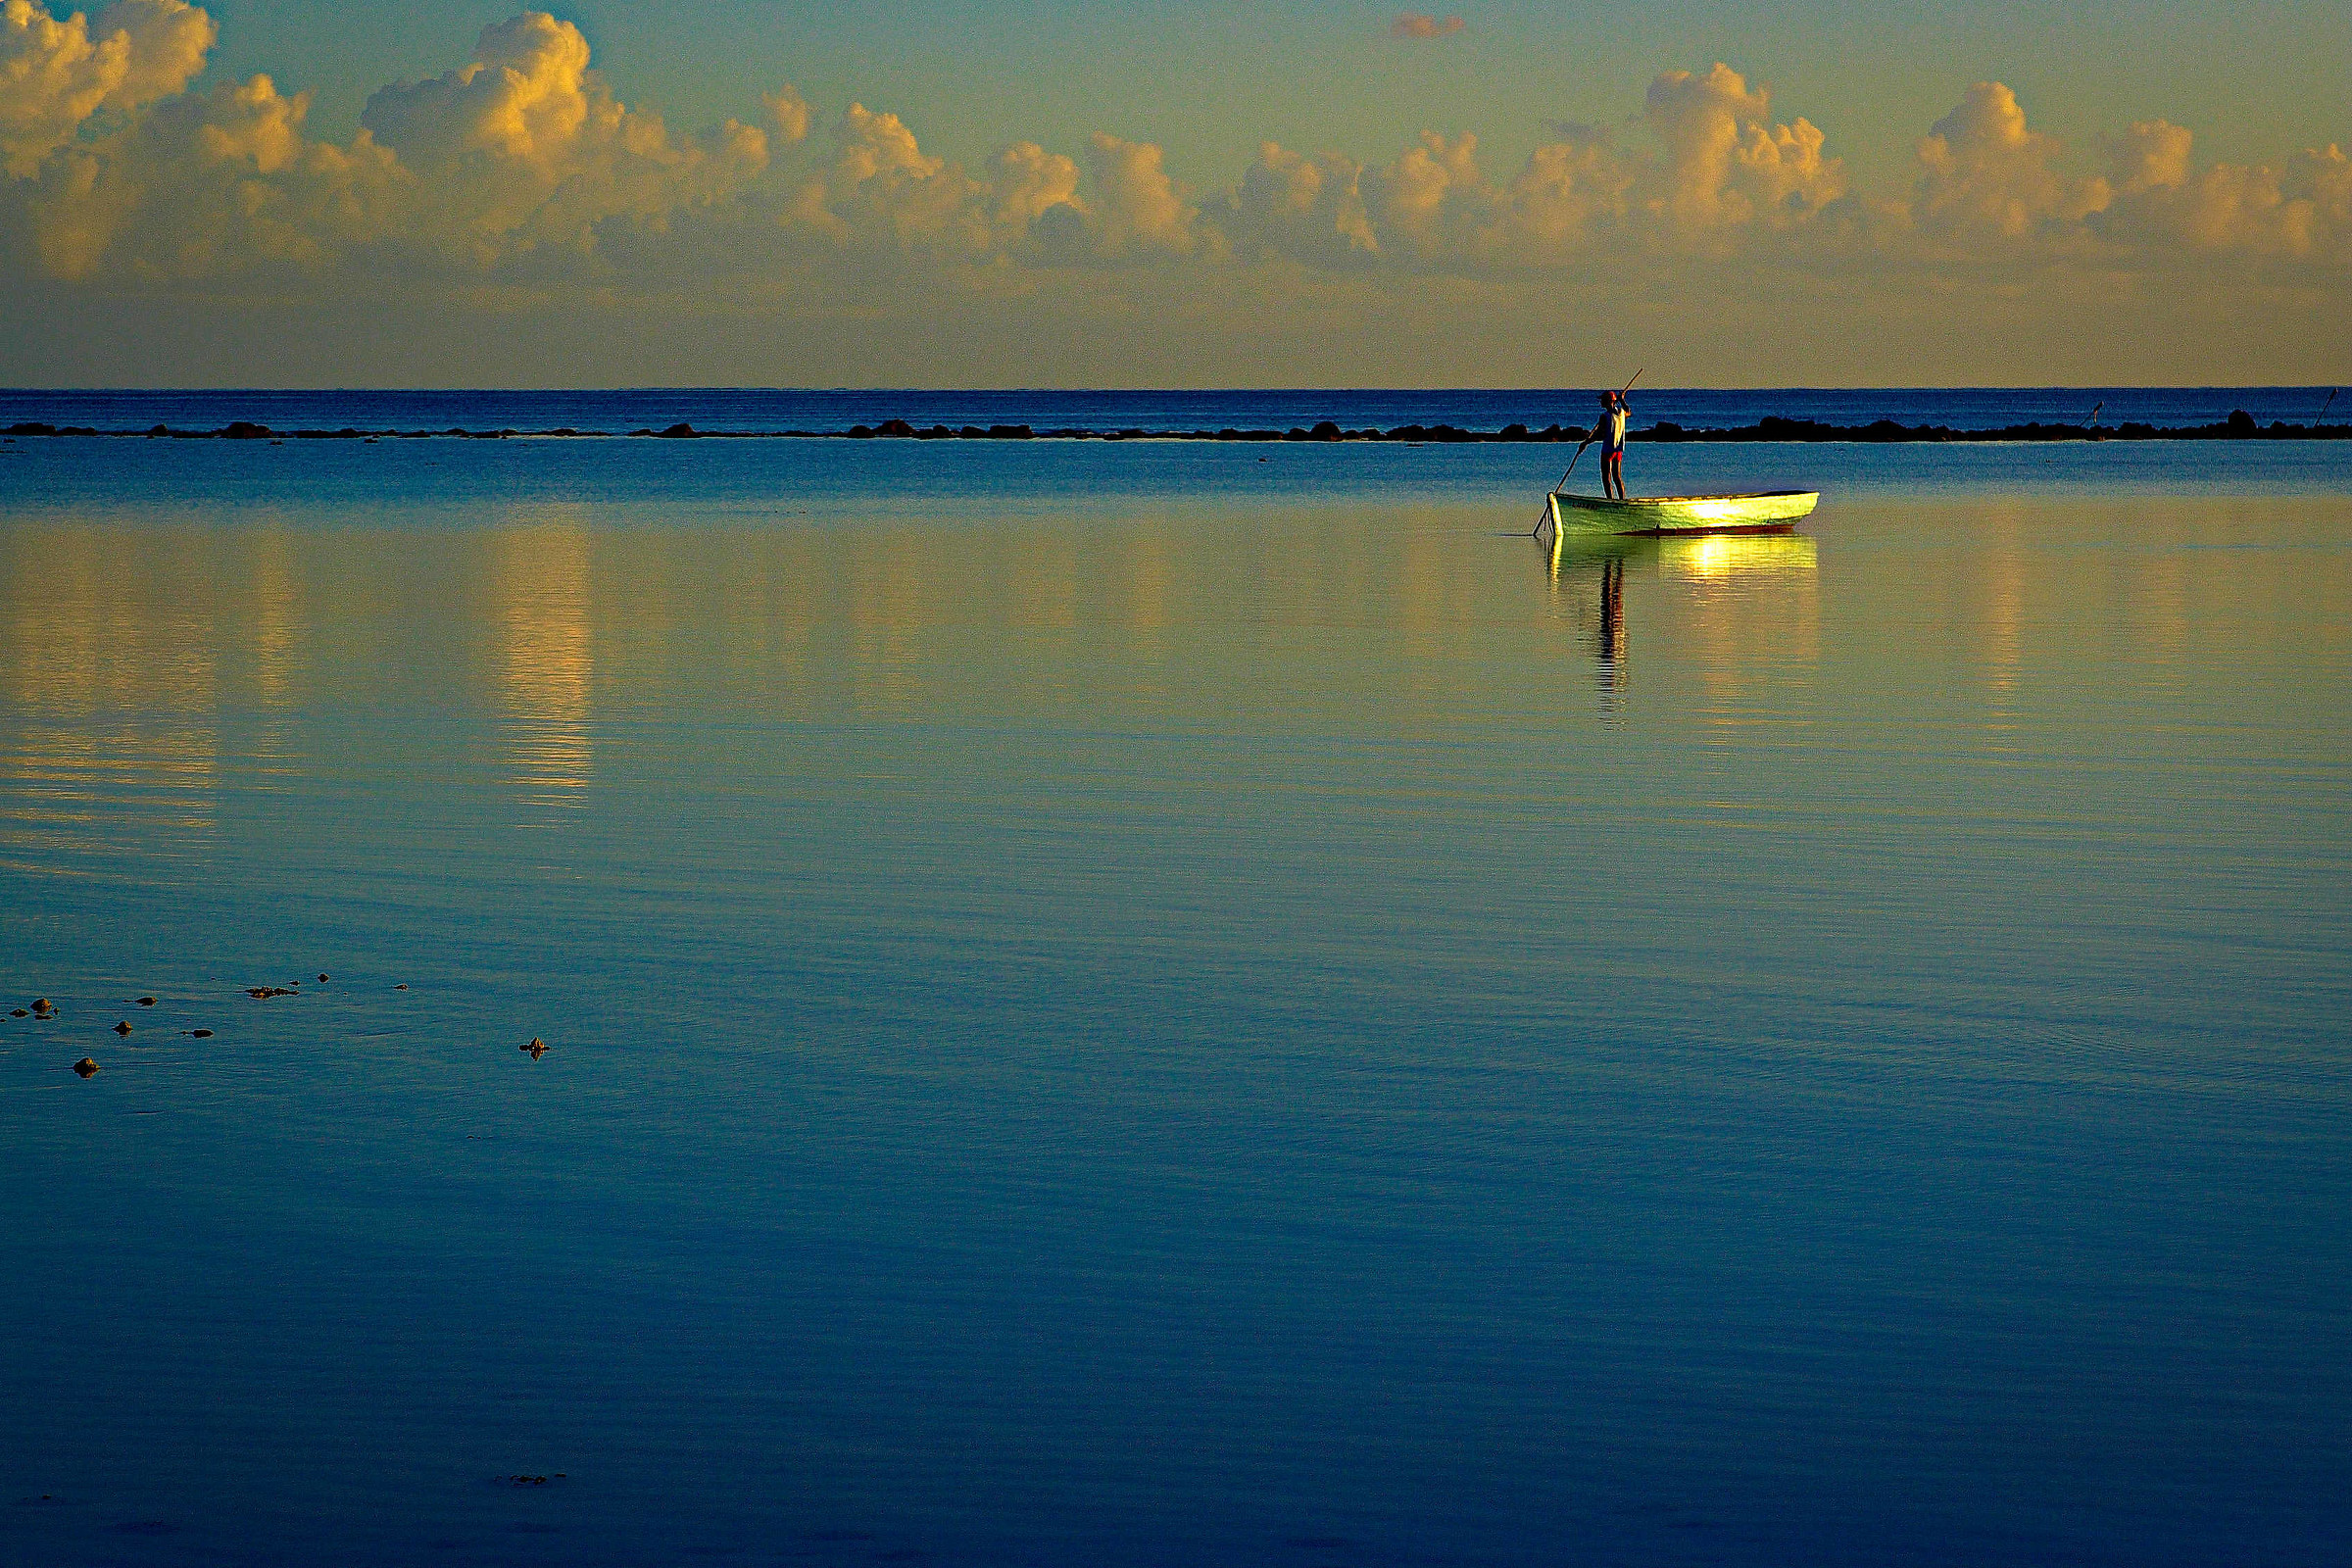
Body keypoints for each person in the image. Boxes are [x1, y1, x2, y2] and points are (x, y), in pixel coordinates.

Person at [1588, 389, 1630, 500]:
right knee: (1617, 477)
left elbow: (1599, 434)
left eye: (1603, 400)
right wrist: (1622, 400)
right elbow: (1628, 411)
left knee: (1606, 478)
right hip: (1618, 451)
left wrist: (1586, 442)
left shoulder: (1604, 416)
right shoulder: (1621, 413)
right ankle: (1622, 500)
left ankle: (1610, 500)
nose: (1601, 402)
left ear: (1609, 401)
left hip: (1607, 451)